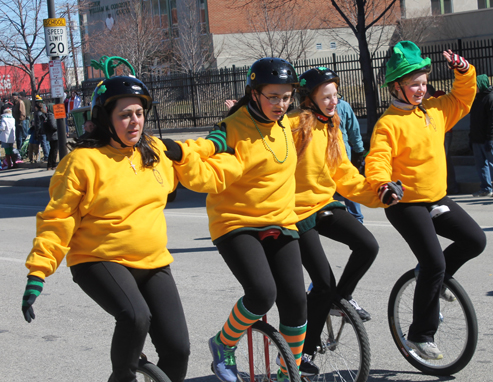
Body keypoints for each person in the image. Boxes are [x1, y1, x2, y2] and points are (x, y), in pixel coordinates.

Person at [21, 71, 227, 382]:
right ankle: (123, 378)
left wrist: (219, 141)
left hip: (153, 263)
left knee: (178, 350)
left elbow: (195, 156)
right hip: (98, 259)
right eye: (125, 115)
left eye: (139, 113)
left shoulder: (154, 151)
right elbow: (58, 219)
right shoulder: (82, 162)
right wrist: (38, 272)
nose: (135, 122)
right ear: (105, 118)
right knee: (134, 316)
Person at [169, 58, 308, 382]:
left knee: (296, 302)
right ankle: (223, 344)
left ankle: (288, 374)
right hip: (236, 220)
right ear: (255, 93)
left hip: (280, 219)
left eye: (286, 97)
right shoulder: (233, 127)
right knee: (261, 293)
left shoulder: (287, 123)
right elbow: (206, 146)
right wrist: (180, 152)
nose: (280, 104)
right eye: (273, 96)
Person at [365, 41, 486, 361]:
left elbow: (463, 97)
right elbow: (377, 161)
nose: (420, 90)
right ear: (396, 87)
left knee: (475, 240)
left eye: (423, 83)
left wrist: (464, 71)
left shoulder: (434, 110)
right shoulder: (388, 124)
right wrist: (383, 184)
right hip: (405, 205)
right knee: (434, 261)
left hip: (436, 198)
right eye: (413, 84)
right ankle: (420, 335)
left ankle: (438, 277)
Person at [287, 67, 403, 375]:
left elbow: (345, 175)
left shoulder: (332, 126)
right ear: (309, 99)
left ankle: (339, 300)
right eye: (325, 97)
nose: (332, 102)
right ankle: (304, 352)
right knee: (322, 282)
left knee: (368, 245)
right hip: (295, 213)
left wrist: (379, 193)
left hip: (323, 203)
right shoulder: (293, 125)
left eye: (335, 95)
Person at [335, 98, 367, 223]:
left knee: (349, 186)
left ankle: (356, 219)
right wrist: (359, 151)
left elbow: (353, 130)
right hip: (339, 157)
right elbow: (354, 131)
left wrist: (359, 151)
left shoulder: (342, 106)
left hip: (342, 156)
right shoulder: (343, 106)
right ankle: (356, 219)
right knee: (348, 187)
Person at [469, 74, 493, 197]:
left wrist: (490, 138)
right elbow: (473, 120)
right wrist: (471, 137)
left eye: (475, 85)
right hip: (477, 138)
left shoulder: (491, 99)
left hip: (488, 139)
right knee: (481, 165)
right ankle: (486, 188)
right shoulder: (476, 99)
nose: (473, 87)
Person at [0, 103, 17, 168]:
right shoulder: (13, 119)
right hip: (12, 137)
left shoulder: (4, 119)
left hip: (5, 137)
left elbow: (2, 128)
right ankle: (14, 163)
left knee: (7, 152)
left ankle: (9, 165)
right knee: (11, 150)